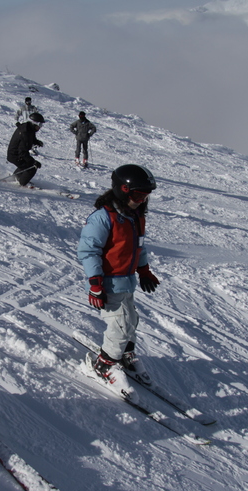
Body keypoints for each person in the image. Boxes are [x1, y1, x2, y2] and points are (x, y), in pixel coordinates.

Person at [77, 164, 160, 400]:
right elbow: (88, 251)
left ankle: (124, 353)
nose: (142, 200)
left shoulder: (135, 216)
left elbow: (138, 246)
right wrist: (95, 284)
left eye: (146, 196)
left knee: (131, 319)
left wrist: (143, 270)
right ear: (123, 190)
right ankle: (104, 365)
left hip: (126, 281)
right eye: (137, 195)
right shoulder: (103, 218)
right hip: (107, 283)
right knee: (121, 325)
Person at [6, 112, 45, 186]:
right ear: (35, 123)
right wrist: (33, 162)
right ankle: (22, 183)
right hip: (15, 155)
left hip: (15, 154)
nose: (40, 127)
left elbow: (31, 137)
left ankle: (16, 178)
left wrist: (36, 141)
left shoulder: (29, 128)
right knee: (32, 167)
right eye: (40, 124)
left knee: (26, 164)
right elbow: (22, 152)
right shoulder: (25, 132)